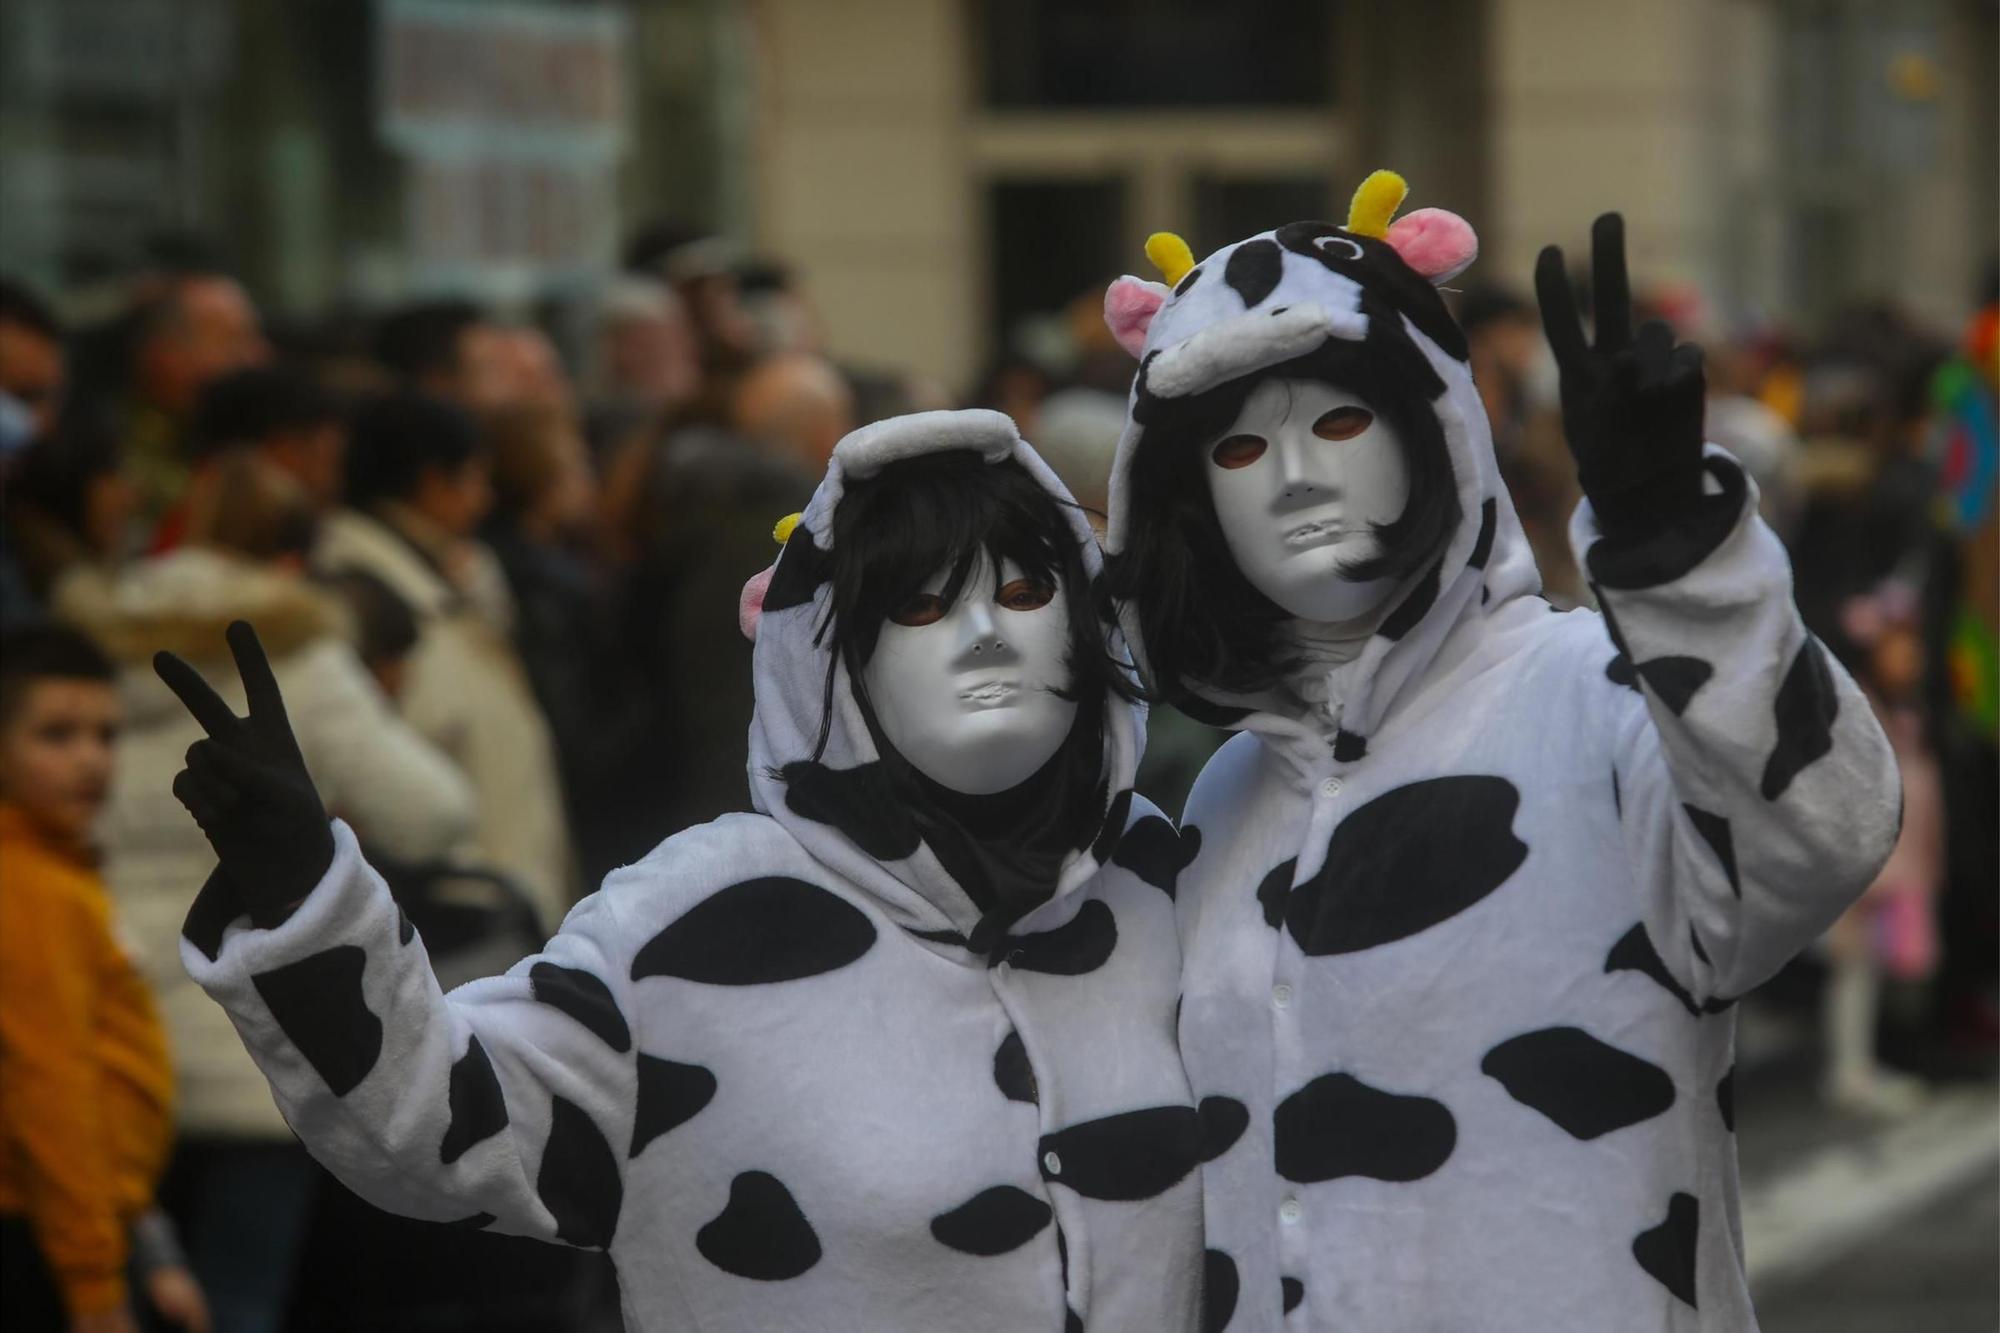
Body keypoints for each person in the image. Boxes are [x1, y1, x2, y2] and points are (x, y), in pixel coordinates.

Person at [155, 410, 1204, 1332]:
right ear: (833, 656)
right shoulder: (701, 920)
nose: (983, 639)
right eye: (920, 606)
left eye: (1024, 591)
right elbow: (444, 1127)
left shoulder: (1162, 881)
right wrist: (305, 901)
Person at [1100, 174, 1900, 1330]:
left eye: (1337, 419)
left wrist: (1681, 558)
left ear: (1434, 430)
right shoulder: (1224, 795)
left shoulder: (1596, 695)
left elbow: (1819, 831)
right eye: (1235, 449)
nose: (1296, 476)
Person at [55, 453, 473, 1333]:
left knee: (119, 1293)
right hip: (250, 1037)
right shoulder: (297, 651)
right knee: (242, 1302)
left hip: (103, 1013)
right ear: (293, 555)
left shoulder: (89, 642)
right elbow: (434, 811)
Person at [0, 625, 208, 1333]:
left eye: (106, 735)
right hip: (40, 1234)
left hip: (76, 1224)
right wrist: (94, 1288)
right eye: (56, 734)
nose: (90, 759)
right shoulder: (26, 887)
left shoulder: (61, 869)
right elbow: (52, 1088)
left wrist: (148, 1246)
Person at [313, 392, 575, 926]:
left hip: (506, 907)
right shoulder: (356, 605)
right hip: (449, 920)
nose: (484, 500)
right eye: (476, 478)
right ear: (433, 482)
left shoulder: (457, 580)